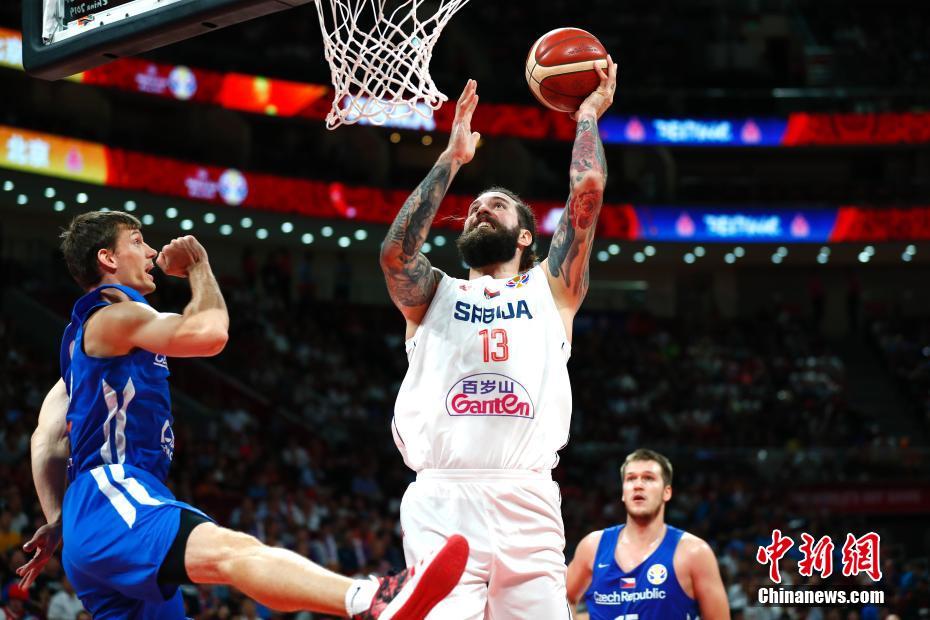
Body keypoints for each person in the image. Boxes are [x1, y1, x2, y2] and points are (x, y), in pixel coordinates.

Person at [17, 211, 467, 619]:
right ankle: (371, 599)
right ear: (107, 258)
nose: (151, 251)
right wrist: (199, 265)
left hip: (89, 522)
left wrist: (59, 520)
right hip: (110, 493)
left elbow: (48, 439)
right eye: (137, 241)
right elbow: (210, 333)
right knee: (232, 553)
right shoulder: (117, 315)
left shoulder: (76, 347)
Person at [379, 58, 617, 619]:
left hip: (526, 497)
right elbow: (395, 255)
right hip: (442, 495)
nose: (480, 209)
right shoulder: (432, 293)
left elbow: (587, 189)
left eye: (497, 205)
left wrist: (586, 115)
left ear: (526, 236)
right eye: (474, 209)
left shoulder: (551, 288)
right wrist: (451, 159)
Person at [566, 449, 730, 619]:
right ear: (623, 493)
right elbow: (564, 598)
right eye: (631, 479)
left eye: (648, 478)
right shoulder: (592, 547)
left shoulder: (694, 552)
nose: (638, 485)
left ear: (667, 492)